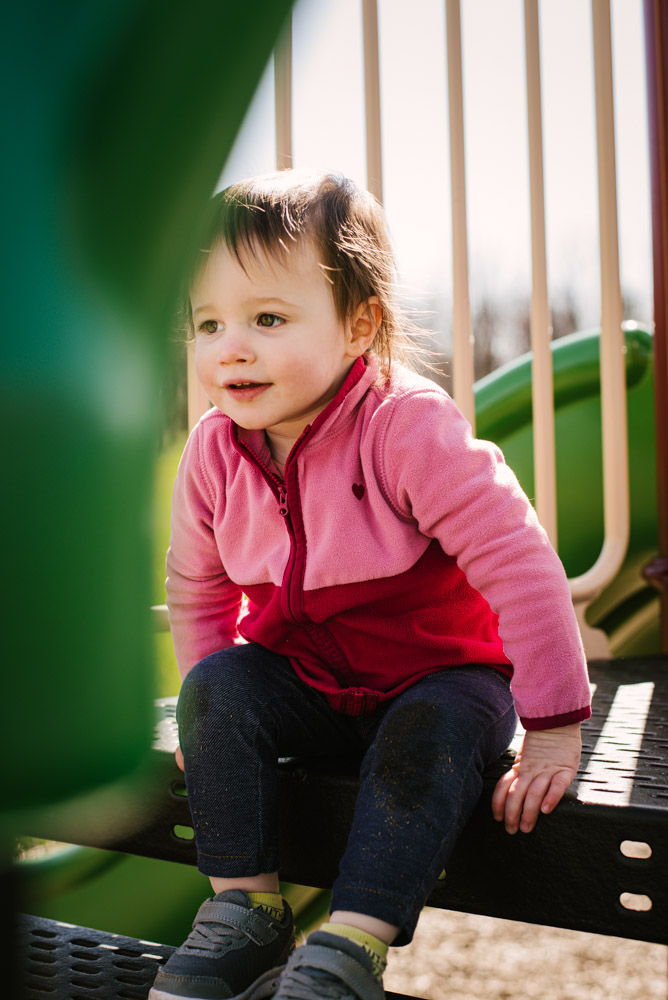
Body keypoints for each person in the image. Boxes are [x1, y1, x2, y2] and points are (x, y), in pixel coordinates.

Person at [149, 170, 590, 1000]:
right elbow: (198, 586)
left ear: (359, 326)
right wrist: (212, 733)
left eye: (267, 319)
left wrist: (555, 727)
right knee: (215, 688)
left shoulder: (405, 426)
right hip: (312, 680)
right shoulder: (213, 452)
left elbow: (520, 562)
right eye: (207, 324)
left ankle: (351, 944)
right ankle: (247, 910)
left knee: (428, 732)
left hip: (442, 676)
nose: (230, 347)